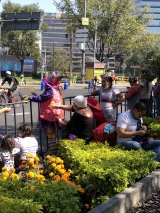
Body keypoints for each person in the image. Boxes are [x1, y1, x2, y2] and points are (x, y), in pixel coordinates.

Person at [29, 71, 64, 155]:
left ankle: (53, 151)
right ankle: (53, 149)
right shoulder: (56, 88)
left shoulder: (51, 90)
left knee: (50, 133)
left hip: (50, 114)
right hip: (55, 113)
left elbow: (42, 98)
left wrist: (30, 97)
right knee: (52, 133)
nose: (45, 84)